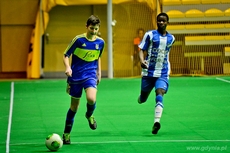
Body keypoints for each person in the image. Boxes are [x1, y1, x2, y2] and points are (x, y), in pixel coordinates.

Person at [62, 15, 105, 144]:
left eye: (96, 29)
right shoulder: (78, 40)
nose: (94, 31)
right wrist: (68, 67)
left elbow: (98, 57)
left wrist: (99, 72)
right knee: (74, 108)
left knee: (91, 99)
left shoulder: (101, 42)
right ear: (86, 26)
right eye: (91, 28)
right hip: (75, 76)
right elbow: (66, 55)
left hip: (90, 75)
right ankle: (66, 134)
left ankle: (89, 115)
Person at [137, 12, 175, 134]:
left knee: (160, 93)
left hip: (163, 72)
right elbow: (142, 49)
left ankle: (156, 122)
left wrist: (169, 67)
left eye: (163, 21)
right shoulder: (150, 35)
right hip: (148, 73)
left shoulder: (171, 38)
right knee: (143, 99)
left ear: (167, 22)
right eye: (159, 20)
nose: (161, 23)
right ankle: (142, 97)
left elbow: (166, 53)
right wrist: (142, 61)